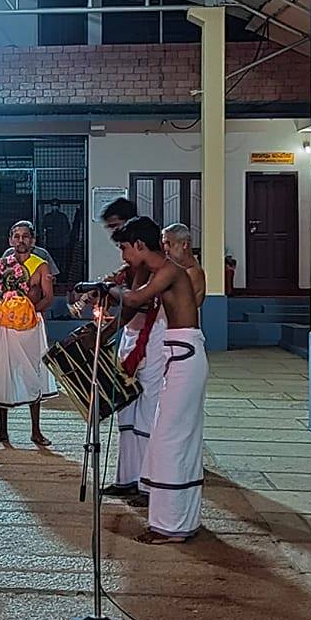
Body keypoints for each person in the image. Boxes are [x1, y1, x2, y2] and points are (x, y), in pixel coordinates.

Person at [103, 216, 206, 543]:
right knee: (170, 438)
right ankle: (173, 523)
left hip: (185, 356)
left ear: (138, 245)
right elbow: (135, 304)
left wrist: (106, 287)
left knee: (169, 440)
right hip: (179, 355)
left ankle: (172, 526)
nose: (123, 256)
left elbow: (133, 300)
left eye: (124, 248)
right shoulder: (157, 272)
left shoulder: (171, 271)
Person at [91, 198, 167, 502]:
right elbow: (127, 307)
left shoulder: (158, 265)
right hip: (131, 338)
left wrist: (111, 290)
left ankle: (149, 484)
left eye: (117, 233)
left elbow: (138, 301)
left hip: (154, 341)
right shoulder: (135, 265)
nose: (115, 243)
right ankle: (126, 479)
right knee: (126, 413)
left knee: (147, 414)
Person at [0, 221, 55, 446]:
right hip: (4, 325)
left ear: (33, 240)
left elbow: (48, 297)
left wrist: (29, 312)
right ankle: (2, 431)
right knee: (2, 374)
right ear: (10, 240)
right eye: (16, 236)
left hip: (31, 327)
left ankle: (36, 431)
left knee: (34, 373)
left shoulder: (41, 266)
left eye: (25, 236)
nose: (21, 240)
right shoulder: (1, 265)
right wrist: (3, 305)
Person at [162, 224, 206, 306]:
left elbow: (178, 304)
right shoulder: (178, 268)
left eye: (169, 243)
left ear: (184, 244)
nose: (166, 248)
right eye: (164, 243)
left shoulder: (192, 272)